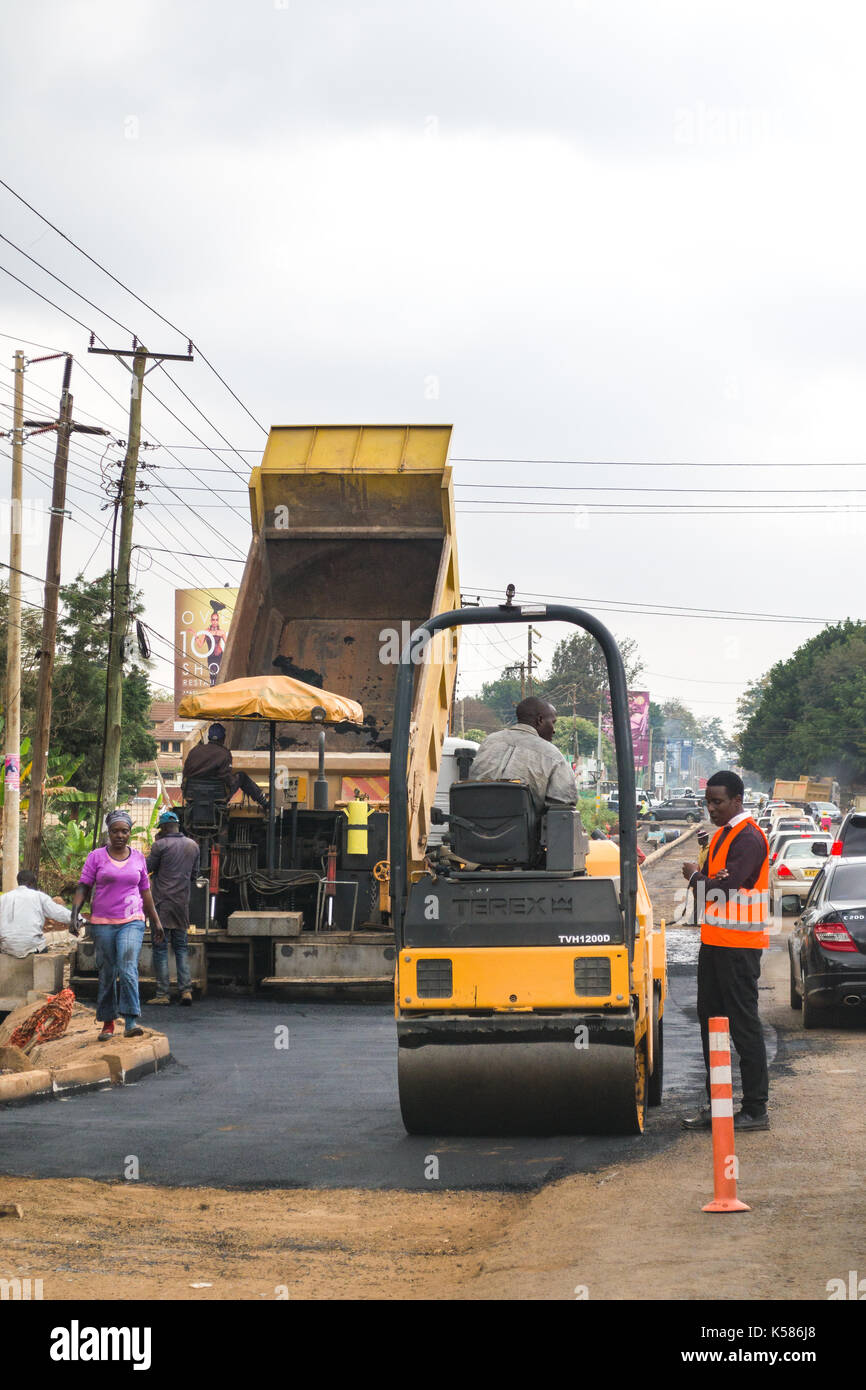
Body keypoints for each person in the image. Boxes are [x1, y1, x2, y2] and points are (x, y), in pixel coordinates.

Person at [680, 771, 771, 1132]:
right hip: (716, 945)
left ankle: (755, 1109)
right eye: (708, 801)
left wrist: (693, 878)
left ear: (737, 799)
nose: (711, 808)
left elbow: (720, 891)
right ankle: (719, 1106)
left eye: (717, 801)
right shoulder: (724, 836)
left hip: (739, 950)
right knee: (712, 1025)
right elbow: (714, 887)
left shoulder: (748, 837)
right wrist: (703, 879)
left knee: (744, 1027)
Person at [72, 810, 165, 1041]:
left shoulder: (138, 858)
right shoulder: (96, 857)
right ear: (109, 832)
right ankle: (107, 1022)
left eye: (124, 831)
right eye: (115, 831)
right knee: (107, 972)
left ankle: (131, 1020)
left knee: (127, 965)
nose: (120, 835)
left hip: (132, 920)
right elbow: (84, 886)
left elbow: (146, 892)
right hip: (102, 922)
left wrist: (156, 921)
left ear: (130, 833)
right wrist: (74, 914)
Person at [467, 696, 578, 814]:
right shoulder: (553, 755)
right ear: (540, 720)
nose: (554, 730)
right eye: (553, 722)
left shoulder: (489, 741)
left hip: (473, 825)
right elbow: (564, 804)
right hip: (523, 830)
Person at [145, 811, 200, 1006]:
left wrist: (156, 844)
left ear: (164, 828)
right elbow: (194, 875)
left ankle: (162, 994)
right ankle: (186, 991)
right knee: (181, 948)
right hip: (181, 904)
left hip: (161, 904)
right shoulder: (193, 846)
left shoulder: (160, 845)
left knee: (160, 949)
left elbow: (146, 868)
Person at [182, 723, 268, 811]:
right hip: (217, 796)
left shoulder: (194, 751)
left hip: (192, 795)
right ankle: (264, 802)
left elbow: (185, 773)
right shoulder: (224, 753)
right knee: (242, 776)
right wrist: (233, 781)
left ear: (208, 737)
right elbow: (226, 777)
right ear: (223, 738)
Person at [0, 869, 74, 957]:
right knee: (41, 946)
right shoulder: (39, 896)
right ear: (31, 883)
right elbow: (59, 912)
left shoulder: (3, 898)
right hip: (33, 947)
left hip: (8, 947)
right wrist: (80, 919)